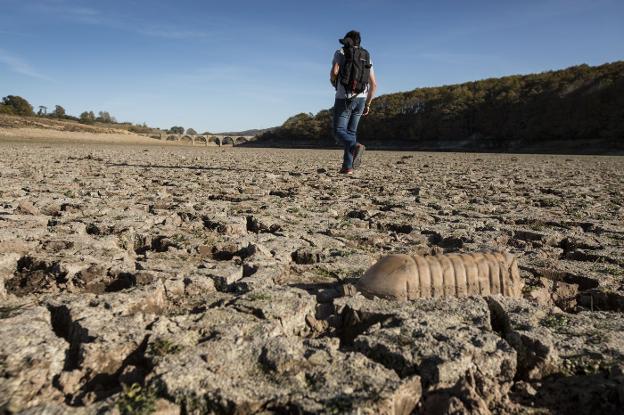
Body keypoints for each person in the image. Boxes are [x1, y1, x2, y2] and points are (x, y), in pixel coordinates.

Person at [330, 30, 377, 175]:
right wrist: (368, 104)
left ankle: (355, 146)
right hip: (361, 99)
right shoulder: (366, 55)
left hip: (344, 97)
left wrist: (334, 83)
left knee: (339, 131)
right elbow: (374, 85)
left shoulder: (341, 52)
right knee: (351, 132)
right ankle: (347, 167)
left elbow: (334, 71)